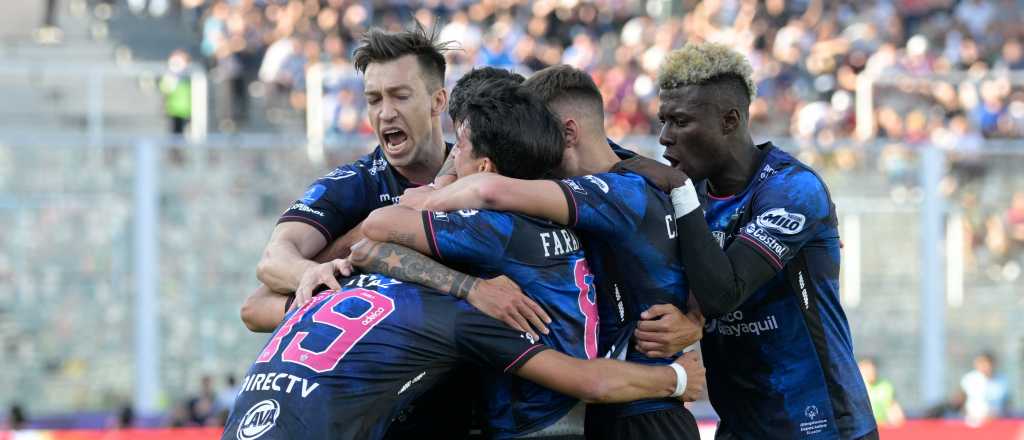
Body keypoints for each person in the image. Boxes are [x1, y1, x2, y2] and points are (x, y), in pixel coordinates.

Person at [413, 65, 703, 440]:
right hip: (599, 411)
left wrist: (429, 198)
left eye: (541, 134)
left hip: (643, 416)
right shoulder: (595, 181)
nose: (533, 149)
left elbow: (488, 189)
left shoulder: (619, 191)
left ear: (567, 132)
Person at [617, 42, 876, 439]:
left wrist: (679, 192)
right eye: (663, 121)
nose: (665, 137)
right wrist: (691, 321)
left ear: (729, 120)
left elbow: (725, 291)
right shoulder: (690, 195)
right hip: (740, 427)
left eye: (681, 122)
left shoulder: (793, 189)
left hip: (822, 426)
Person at [222, 273, 704, 440]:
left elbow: (253, 304)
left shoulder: (351, 272)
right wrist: (676, 379)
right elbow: (588, 382)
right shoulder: (460, 313)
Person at [961, 351, 1009, 425]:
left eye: (985, 363)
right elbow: (961, 400)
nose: (983, 366)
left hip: (996, 422)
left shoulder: (1002, 380)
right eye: (980, 363)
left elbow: (1006, 402)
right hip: (974, 422)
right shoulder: (969, 379)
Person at [858, 357, 905, 426]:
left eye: (872, 369)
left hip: (882, 427)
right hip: (863, 428)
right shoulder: (855, 388)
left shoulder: (885, 386)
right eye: (866, 369)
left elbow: (895, 412)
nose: (870, 372)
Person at [160, 49, 193, 135]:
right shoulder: (170, 76)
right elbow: (165, 88)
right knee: (176, 132)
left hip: (187, 110)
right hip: (174, 109)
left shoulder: (189, 76)